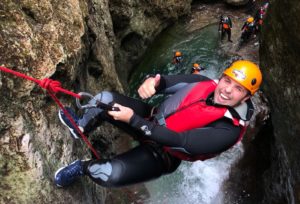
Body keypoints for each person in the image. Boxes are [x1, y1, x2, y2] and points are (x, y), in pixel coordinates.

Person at [54, 60, 262, 188]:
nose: (227, 90)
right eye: (227, 81)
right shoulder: (204, 83)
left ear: (245, 98)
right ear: (222, 77)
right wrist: (152, 82)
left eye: (238, 89)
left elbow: (182, 141)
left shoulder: (229, 129)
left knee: (109, 174)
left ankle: (81, 168)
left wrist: (133, 120)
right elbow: (167, 82)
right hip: (151, 118)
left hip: (164, 154)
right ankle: (80, 126)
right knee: (105, 99)